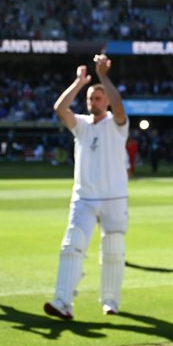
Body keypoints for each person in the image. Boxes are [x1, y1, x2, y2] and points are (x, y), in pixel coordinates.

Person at [44, 55, 130, 320]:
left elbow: (118, 105)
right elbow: (60, 108)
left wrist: (103, 77)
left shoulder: (117, 125)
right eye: (91, 98)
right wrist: (80, 82)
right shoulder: (80, 125)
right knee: (71, 246)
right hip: (84, 198)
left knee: (113, 250)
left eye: (98, 98)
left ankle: (110, 301)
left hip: (114, 197)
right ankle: (62, 302)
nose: (94, 102)